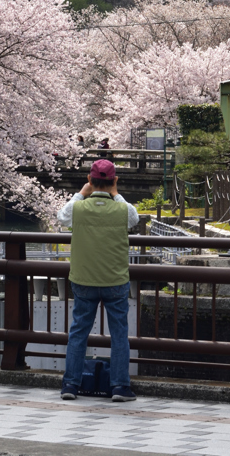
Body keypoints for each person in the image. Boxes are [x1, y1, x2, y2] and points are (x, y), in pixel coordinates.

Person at [56, 158, 139, 402]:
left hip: (83, 279)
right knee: (119, 334)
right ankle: (120, 387)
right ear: (114, 181)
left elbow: (62, 217)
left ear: (90, 181)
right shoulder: (123, 209)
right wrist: (116, 194)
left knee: (79, 332)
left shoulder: (78, 208)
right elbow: (134, 219)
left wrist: (81, 193)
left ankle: (71, 384)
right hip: (114, 279)